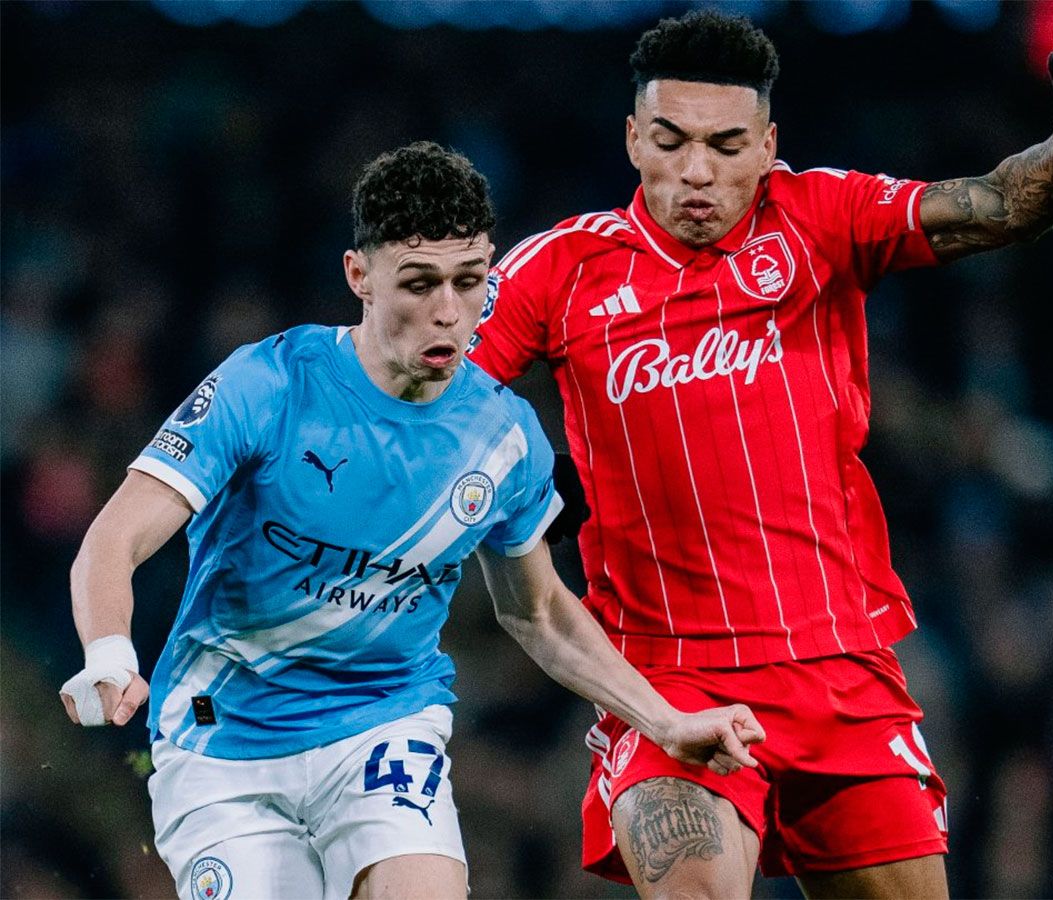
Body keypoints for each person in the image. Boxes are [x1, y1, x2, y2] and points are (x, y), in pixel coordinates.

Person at [467, 11, 1053, 900]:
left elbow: (1001, 204)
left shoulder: (820, 215)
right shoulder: (561, 269)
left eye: (725, 145)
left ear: (767, 145)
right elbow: (433, 389)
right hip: (669, 680)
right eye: (671, 141)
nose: (697, 170)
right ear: (632, 139)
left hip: (841, 673)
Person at [58, 140, 765, 900]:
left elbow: (540, 613)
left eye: (469, 281)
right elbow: (114, 539)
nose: (448, 311)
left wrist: (664, 721)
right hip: (222, 737)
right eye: (420, 283)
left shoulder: (503, 436)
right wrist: (109, 654)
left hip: (383, 724)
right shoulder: (268, 385)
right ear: (359, 275)